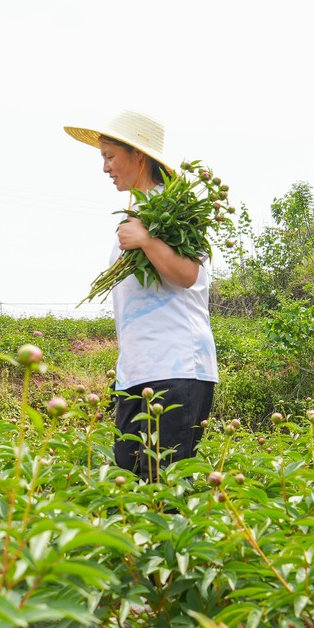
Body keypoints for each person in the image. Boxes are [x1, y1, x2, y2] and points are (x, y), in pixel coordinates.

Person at [64, 110, 217, 479]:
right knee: (130, 479)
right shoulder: (137, 210)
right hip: (137, 371)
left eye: (110, 156)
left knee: (163, 486)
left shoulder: (176, 208)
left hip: (176, 366)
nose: (105, 168)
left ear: (139, 156)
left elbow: (189, 274)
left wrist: (147, 240)